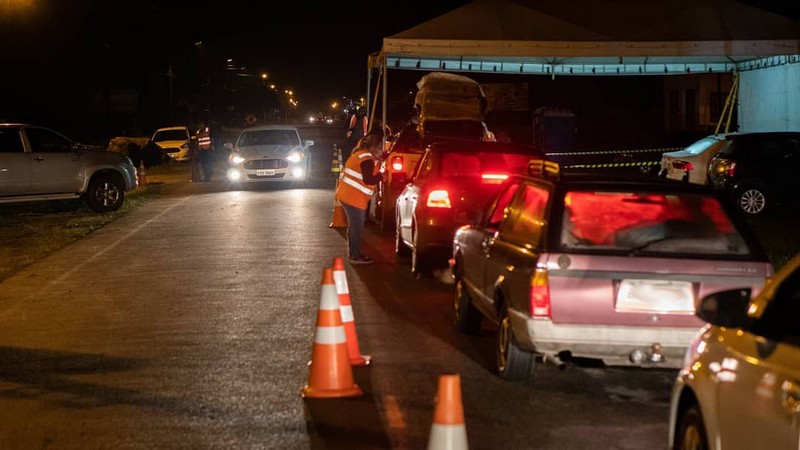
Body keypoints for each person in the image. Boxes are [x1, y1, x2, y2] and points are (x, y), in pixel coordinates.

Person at [335, 132, 385, 265]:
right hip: (353, 198)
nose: (381, 151)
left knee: (354, 226)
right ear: (373, 147)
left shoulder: (360, 154)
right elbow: (369, 179)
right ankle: (355, 255)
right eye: (380, 148)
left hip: (348, 195)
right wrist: (382, 176)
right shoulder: (367, 159)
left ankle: (354, 253)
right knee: (356, 227)